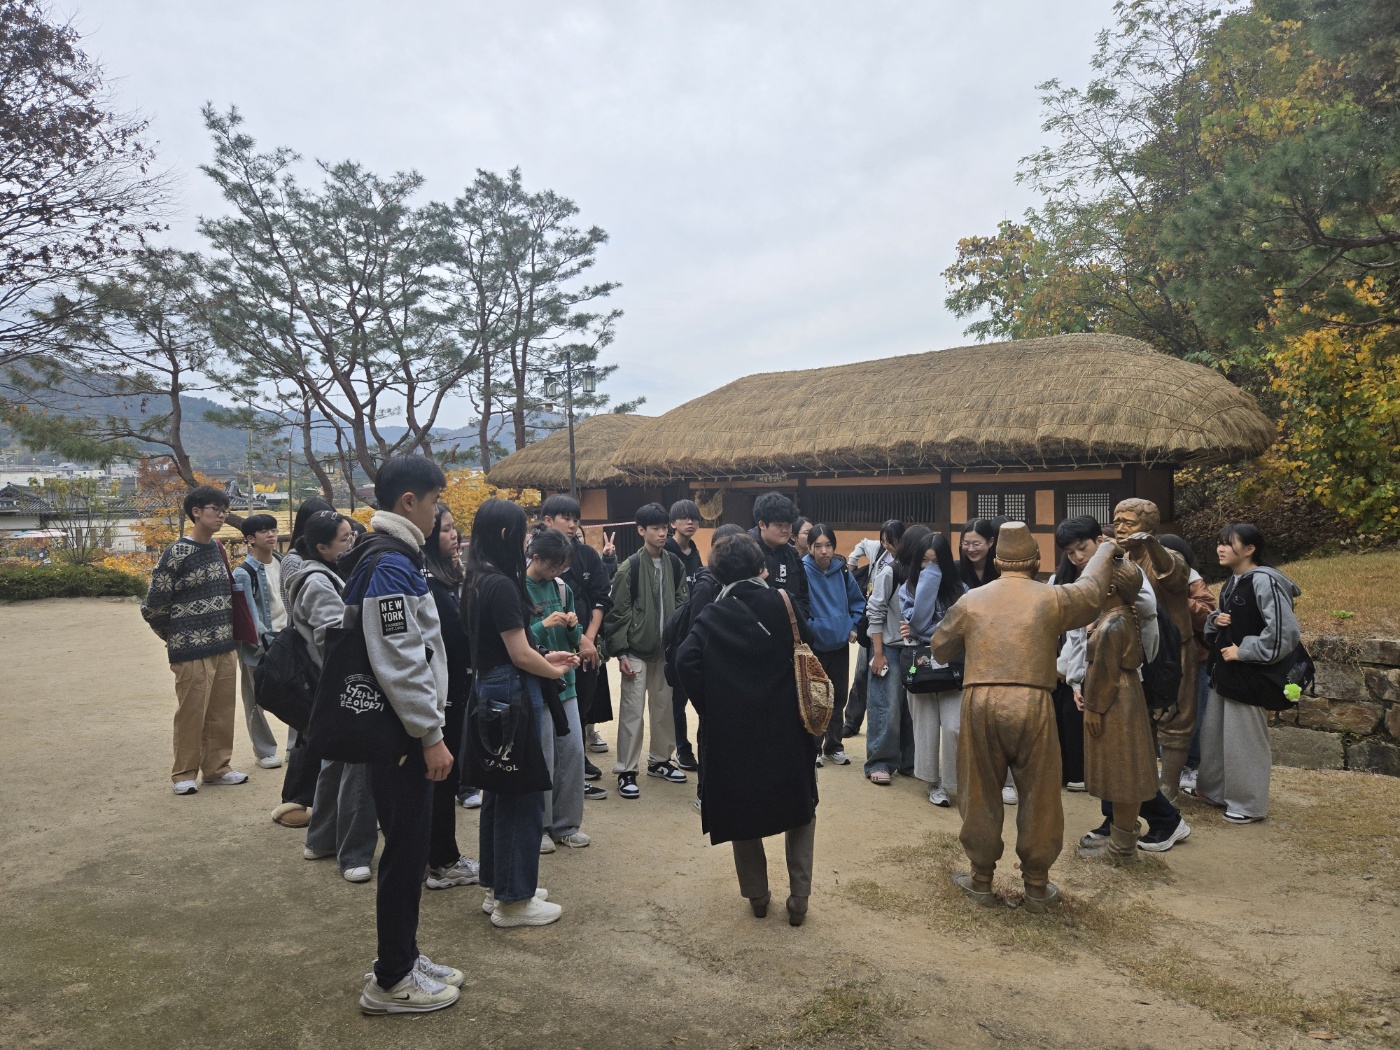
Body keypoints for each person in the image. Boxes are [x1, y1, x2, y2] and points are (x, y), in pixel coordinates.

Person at [931, 522, 1116, 912]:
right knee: (1040, 794)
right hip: (1033, 700)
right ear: (1035, 561)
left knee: (979, 790)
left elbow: (940, 647)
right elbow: (1092, 592)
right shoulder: (1052, 597)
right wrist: (1106, 549)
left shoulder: (972, 600)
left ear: (998, 561)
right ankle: (1036, 885)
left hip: (980, 699)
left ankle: (981, 879)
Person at [339, 456, 463, 1016]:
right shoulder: (390, 563)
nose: (438, 513)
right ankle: (391, 980)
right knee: (406, 850)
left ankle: (404, 956)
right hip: (401, 737)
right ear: (409, 501)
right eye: (434, 502)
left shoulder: (395, 556)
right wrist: (429, 734)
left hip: (402, 732)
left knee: (410, 849)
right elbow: (401, 659)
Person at [677, 534, 818, 927]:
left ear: (718, 574)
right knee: (800, 804)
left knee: (741, 806)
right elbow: (811, 644)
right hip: (788, 726)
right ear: (762, 568)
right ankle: (800, 897)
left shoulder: (712, 615)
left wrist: (711, 705)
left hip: (734, 731)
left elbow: (686, 660)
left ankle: (757, 895)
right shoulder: (783, 603)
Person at [463, 498, 578, 928]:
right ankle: (514, 899)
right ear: (507, 535)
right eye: (523, 533)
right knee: (523, 792)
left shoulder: (476, 577)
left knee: (499, 789)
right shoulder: (503, 584)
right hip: (511, 691)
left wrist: (544, 657)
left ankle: (498, 886)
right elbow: (519, 653)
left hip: (488, 687)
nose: (528, 542)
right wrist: (552, 668)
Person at [287, 511, 378, 884]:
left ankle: (321, 839)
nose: (352, 541)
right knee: (358, 762)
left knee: (336, 760)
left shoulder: (325, 574)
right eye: (345, 538)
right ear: (322, 547)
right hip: (343, 681)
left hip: (334, 683)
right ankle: (354, 853)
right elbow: (334, 637)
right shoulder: (317, 582)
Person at [141, 484, 248, 796]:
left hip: (224, 644)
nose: (222, 515)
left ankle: (217, 768)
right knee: (192, 712)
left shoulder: (218, 549)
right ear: (197, 512)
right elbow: (154, 606)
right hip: (190, 648)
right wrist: (176, 636)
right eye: (216, 510)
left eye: (225, 510)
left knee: (222, 711)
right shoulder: (176, 553)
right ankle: (184, 773)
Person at [1196, 524, 1300, 825]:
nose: (1220, 548)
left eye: (1228, 543)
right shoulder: (1233, 581)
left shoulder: (1265, 581)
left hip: (1250, 675)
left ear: (1250, 549)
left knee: (1245, 740)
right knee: (1216, 734)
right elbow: (1229, 621)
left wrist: (1245, 651)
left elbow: (1284, 632)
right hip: (1225, 673)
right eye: (1219, 543)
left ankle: (1248, 804)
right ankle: (1215, 791)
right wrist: (1215, 620)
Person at [603, 502, 691, 799]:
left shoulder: (675, 564)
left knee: (664, 707)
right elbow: (618, 613)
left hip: (666, 651)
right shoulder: (630, 567)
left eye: (664, 527)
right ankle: (626, 770)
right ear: (641, 530)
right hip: (636, 650)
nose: (662, 533)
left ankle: (660, 760)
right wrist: (621, 652)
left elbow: (683, 605)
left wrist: (678, 645)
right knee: (632, 711)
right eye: (655, 528)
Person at [1111, 498, 1194, 802]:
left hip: (1173, 647)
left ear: (1147, 527)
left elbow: (1172, 575)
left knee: (1176, 716)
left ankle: (1168, 787)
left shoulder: (1166, 555)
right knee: (1139, 715)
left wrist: (1151, 544)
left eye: (1128, 523)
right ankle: (1143, 781)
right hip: (1135, 648)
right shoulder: (1119, 558)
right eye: (1117, 521)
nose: (1120, 527)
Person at [1081, 558, 1160, 862]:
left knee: (1124, 771)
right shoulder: (1120, 617)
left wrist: (1093, 708)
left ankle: (1122, 848)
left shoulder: (1113, 624)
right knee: (1122, 769)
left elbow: (1104, 672)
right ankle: (1120, 841)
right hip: (1125, 697)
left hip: (1116, 702)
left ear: (1110, 589)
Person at [422, 504, 482, 890]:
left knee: (448, 777)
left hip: (457, 689)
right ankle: (442, 861)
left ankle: (442, 854)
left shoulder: (447, 576)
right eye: (445, 529)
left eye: (454, 528)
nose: (454, 535)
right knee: (441, 780)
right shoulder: (427, 581)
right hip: (441, 695)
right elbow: (450, 638)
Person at [538, 495, 613, 800]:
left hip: (585, 647)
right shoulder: (537, 561)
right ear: (547, 521)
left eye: (575, 519)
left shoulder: (588, 556)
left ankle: (576, 763)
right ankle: (561, 775)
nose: (572, 524)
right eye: (565, 518)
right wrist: (580, 639)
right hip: (549, 650)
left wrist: (589, 639)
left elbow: (601, 597)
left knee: (579, 709)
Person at [270, 496, 337, 828]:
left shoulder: (315, 561)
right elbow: (294, 603)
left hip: (309, 641)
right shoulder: (298, 562)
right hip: (305, 647)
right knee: (310, 727)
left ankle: (305, 800)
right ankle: (295, 800)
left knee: (313, 728)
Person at [525, 526, 590, 851]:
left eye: (562, 566)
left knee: (573, 753)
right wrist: (543, 624)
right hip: (538, 682)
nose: (558, 571)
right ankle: (538, 826)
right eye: (554, 565)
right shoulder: (517, 587)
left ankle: (567, 825)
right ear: (536, 557)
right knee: (543, 758)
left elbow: (573, 638)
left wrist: (574, 626)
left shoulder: (561, 588)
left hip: (566, 683)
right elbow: (517, 640)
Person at [897, 530, 966, 807]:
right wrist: (928, 581)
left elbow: (954, 627)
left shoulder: (961, 590)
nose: (929, 567)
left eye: (936, 562)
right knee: (925, 728)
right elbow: (920, 621)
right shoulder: (907, 589)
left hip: (954, 667)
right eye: (924, 561)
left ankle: (952, 780)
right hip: (920, 668)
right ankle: (932, 782)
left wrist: (922, 630)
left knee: (954, 726)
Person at [800, 524, 864, 767]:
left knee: (838, 697)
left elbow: (858, 602)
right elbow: (799, 606)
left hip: (839, 645)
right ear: (809, 548)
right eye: (818, 546)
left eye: (828, 545)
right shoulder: (802, 571)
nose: (824, 551)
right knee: (816, 698)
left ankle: (834, 746)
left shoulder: (843, 571)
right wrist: (811, 629)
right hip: (814, 645)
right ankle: (814, 748)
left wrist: (853, 626)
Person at [1159, 534, 1217, 794]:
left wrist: (1178, 599)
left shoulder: (1192, 580)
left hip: (1195, 658)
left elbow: (1209, 615)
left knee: (1194, 716)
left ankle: (1192, 765)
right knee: (1165, 715)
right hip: (1163, 658)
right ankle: (1169, 768)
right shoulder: (1147, 578)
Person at [864, 526, 922, 786]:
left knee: (912, 707)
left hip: (915, 654)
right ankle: (880, 761)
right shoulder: (891, 572)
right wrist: (878, 653)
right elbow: (874, 611)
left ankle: (910, 761)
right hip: (888, 650)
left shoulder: (927, 575)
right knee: (886, 705)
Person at [232, 513, 286, 770]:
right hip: (258, 645)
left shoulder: (282, 563)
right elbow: (249, 617)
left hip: (287, 639)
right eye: (264, 531)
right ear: (251, 539)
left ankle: (296, 746)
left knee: (299, 691)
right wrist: (264, 642)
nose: (271, 534)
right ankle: (264, 751)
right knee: (255, 700)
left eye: (273, 529)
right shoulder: (243, 573)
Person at [842, 520, 905, 737]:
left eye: (891, 541)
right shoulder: (878, 550)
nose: (887, 545)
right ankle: (852, 720)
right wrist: (851, 564)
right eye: (884, 540)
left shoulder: (908, 559)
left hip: (895, 628)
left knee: (896, 679)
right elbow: (861, 544)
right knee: (862, 671)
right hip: (872, 622)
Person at [665, 499, 705, 770]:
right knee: (676, 698)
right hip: (675, 629)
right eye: (684, 517)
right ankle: (681, 747)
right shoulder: (667, 551)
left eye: (694, 518)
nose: (690, 522)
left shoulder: (695, 552)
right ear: (672, 523)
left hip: (695, 627)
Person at [747, 491, 809, 620]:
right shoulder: (746, 551)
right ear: (762, 524)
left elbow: (803, 593)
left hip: (790, 625)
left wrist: (799, 617)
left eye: (788, 525)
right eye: (779, 525)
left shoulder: (792, 553)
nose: (785, 530)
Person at [958, 519, 1001, 590]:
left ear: (990, 542)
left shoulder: (999, 570)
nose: (971, 549)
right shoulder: (956, 570)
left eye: (976, 544)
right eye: (966, 543)